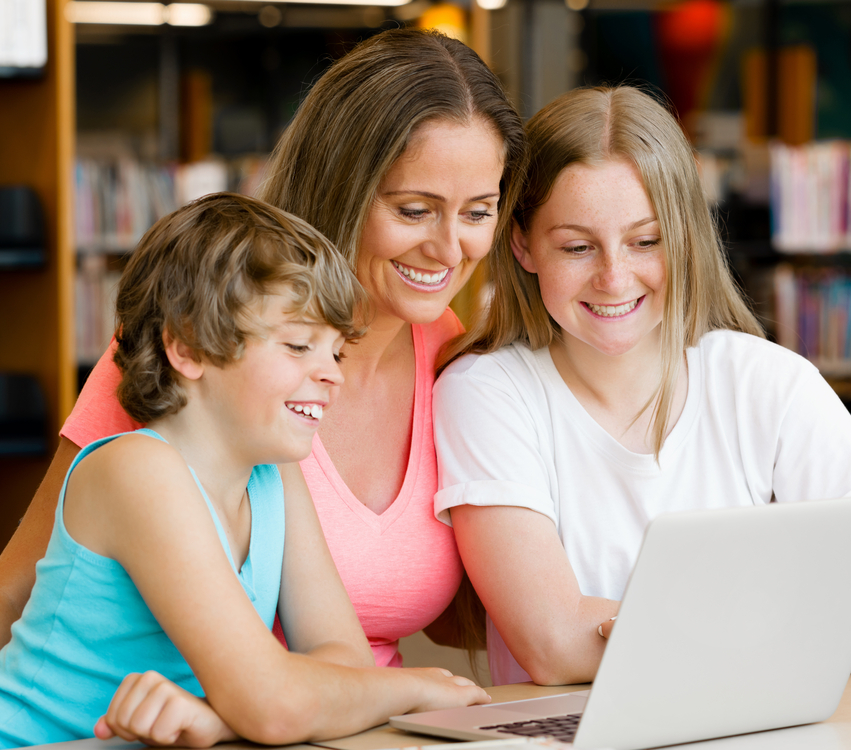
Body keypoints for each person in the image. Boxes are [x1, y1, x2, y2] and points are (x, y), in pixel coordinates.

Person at [0, 29, 525, 663]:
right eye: (415, 210)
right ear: (343, 187)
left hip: (360, 724)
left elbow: (456, 617)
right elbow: (20, 590)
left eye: (478, 212)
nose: (450, 249)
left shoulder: (457, 364)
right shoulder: (201, 340)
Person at [433, 86, 851, 687]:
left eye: (646, 241)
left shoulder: (768, 381)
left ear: (686, 237)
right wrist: (784, 633)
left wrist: (685, 639)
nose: (615, 277)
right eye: (576, 246)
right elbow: (554, 643)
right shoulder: (486, 393)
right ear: (522, 244)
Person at [0, 194, 489, 748]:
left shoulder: (273, 474)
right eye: (299, 345)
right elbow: (280, 705)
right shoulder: (134, 469)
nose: (331, 375)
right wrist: (414, 689)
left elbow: (345, 663)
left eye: (335, 352)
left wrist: (220, 716)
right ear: (187, 347)